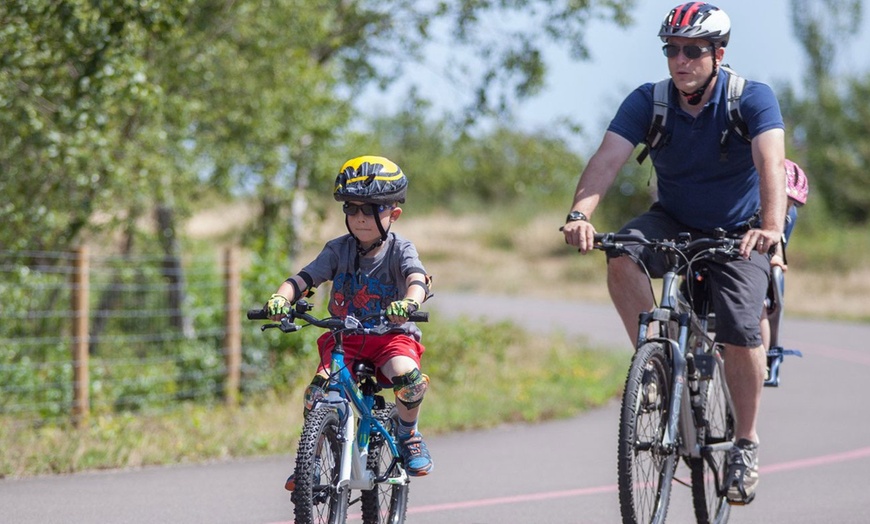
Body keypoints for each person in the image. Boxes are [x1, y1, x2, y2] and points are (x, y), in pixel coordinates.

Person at [561, 3, 786, 506]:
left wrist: (770, 228)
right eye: (671, 50)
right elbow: (607, 159)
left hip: (740, 230)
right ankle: (658, 364)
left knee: (740, 326)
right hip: (674, 219)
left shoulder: (750, 98)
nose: (679, 60)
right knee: (620, 253)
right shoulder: (650, 101)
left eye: (691, 50)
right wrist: (580, 215)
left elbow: (771, 159)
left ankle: (745, 442)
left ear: (718, 54)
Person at [266, 155, 435, 490]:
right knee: (318, 392)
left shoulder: (400, 249)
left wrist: (410, 302)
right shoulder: (337, 250)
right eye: (351, 208)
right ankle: (311, 463)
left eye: (371, 208)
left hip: (390, 337)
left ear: (393, 213)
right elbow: (305, 278)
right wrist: (282, 298)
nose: (360, 218)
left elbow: (417, 279)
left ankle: (408, 433)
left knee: (407, 377)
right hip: (344, 339)